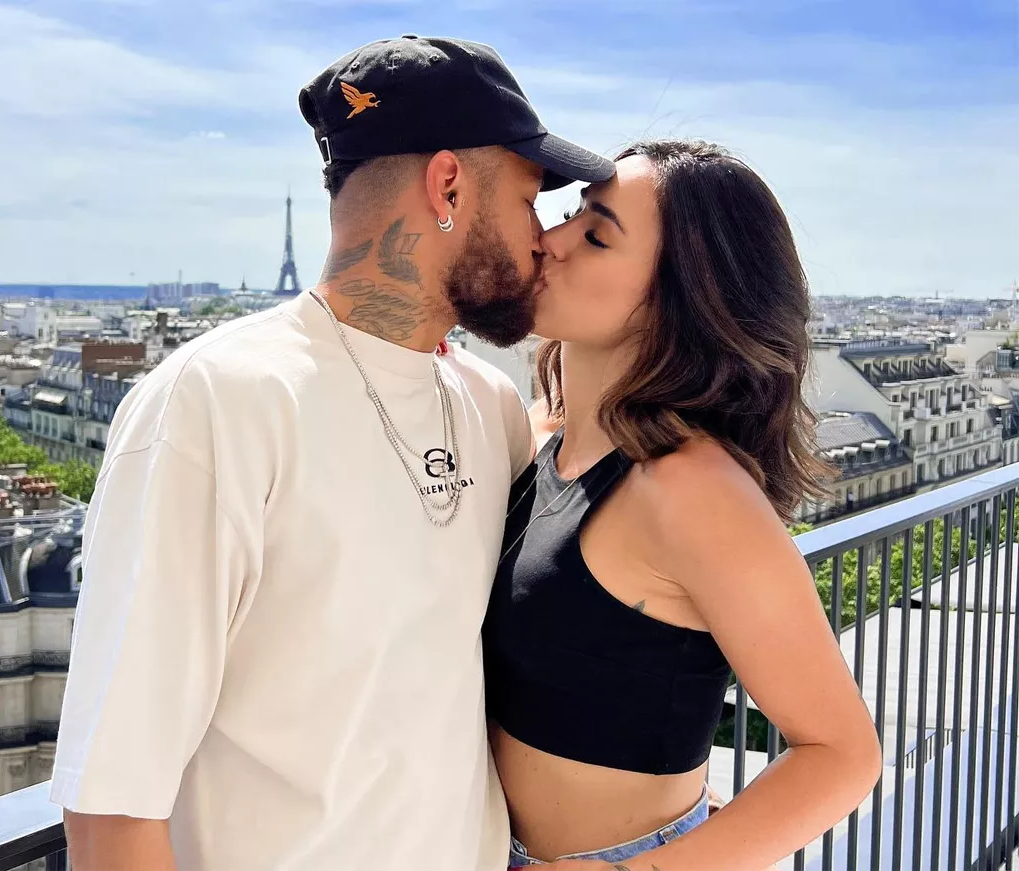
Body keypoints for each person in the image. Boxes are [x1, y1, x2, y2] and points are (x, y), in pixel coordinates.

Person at [48, 35, 615, 871]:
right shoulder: (213, 405)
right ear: (448, 185)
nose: (543, 237)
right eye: (530, 200)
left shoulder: (488, 405)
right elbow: (112, 808)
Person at [484, 140, 883, 870]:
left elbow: (842, 753)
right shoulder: (543, 433)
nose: (550, 239)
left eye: (596, 235)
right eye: (572, 215)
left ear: (680, 297)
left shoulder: (690, 488)